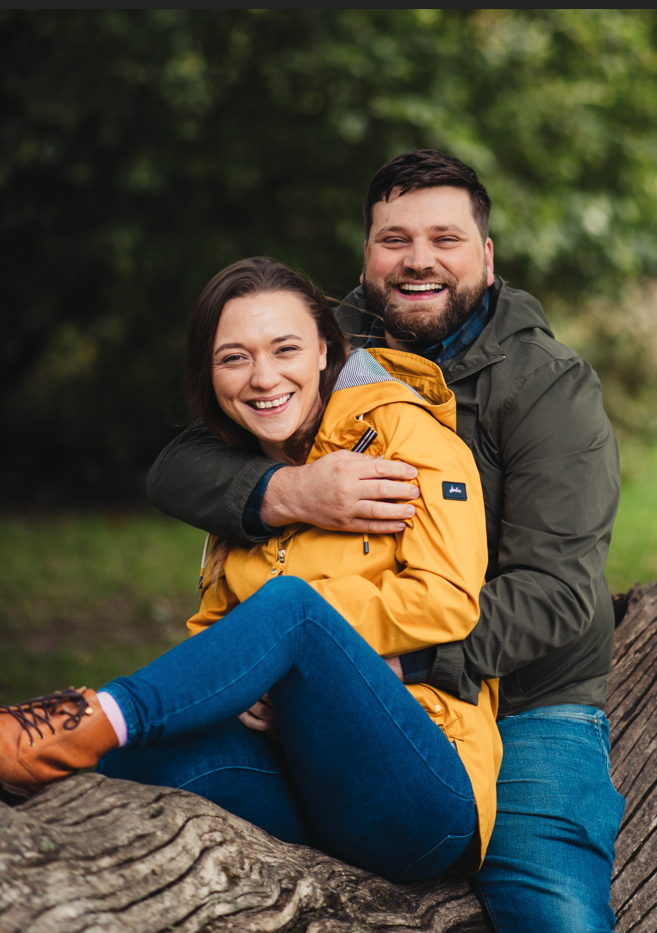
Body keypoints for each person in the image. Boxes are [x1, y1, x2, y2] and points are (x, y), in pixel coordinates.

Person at [146, 151, 625, 932]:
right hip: (345, 668)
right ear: (365, 255)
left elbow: (558, 593)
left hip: (527, 697)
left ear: (487, 257)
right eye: (393, 239)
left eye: (445, 238)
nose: (418, 259)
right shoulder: (324, 351)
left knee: (552, 911)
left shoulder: (545, 384)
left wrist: (369, 664)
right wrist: (288, 489)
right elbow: (177, 467)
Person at [0, 257, 502, 884]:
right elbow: (214, 637)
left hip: (421, 791)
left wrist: (294, 652)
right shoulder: (239, 484)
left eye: (284, 348)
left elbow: (446, 601)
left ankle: (87, 717)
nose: (262, 377)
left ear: (325, 349)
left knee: (292, 607)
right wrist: (251, 689)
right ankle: (55, 752)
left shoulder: (409, 438)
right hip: (290, 774)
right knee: (123, 765)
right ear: (208, 375)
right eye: (233, 358)